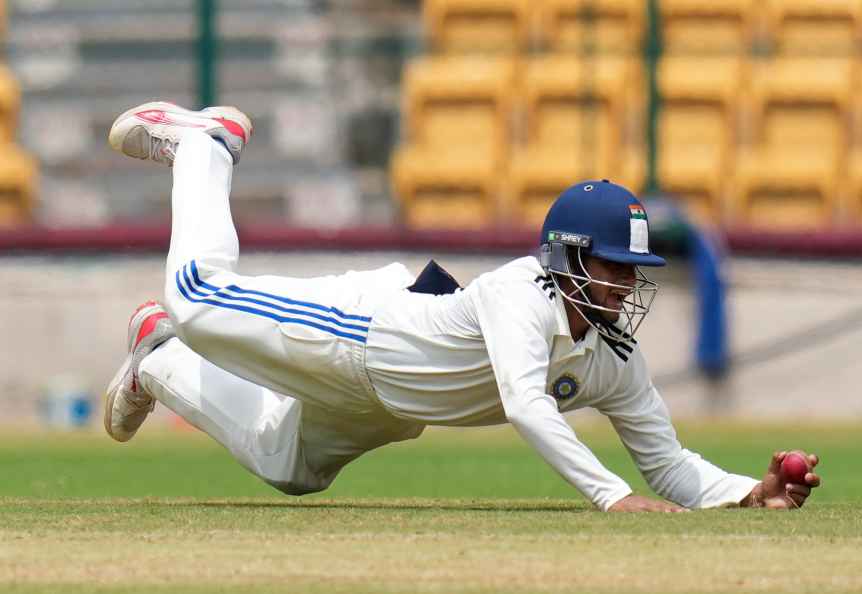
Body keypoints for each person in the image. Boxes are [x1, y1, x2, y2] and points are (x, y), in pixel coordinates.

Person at [104, 101, 821, 512]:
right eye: (613, 266)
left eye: (634, 272)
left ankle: (158, 358)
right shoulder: (521, 292)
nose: (626, 286)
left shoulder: (612, 358)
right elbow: (526, 405)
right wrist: (611, 496)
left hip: (391, 403)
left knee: (288, 466)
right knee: (198, 295)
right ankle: (208, 147)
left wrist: (746, 496)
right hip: (362, 331)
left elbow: (669, 467)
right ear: (568, 256)